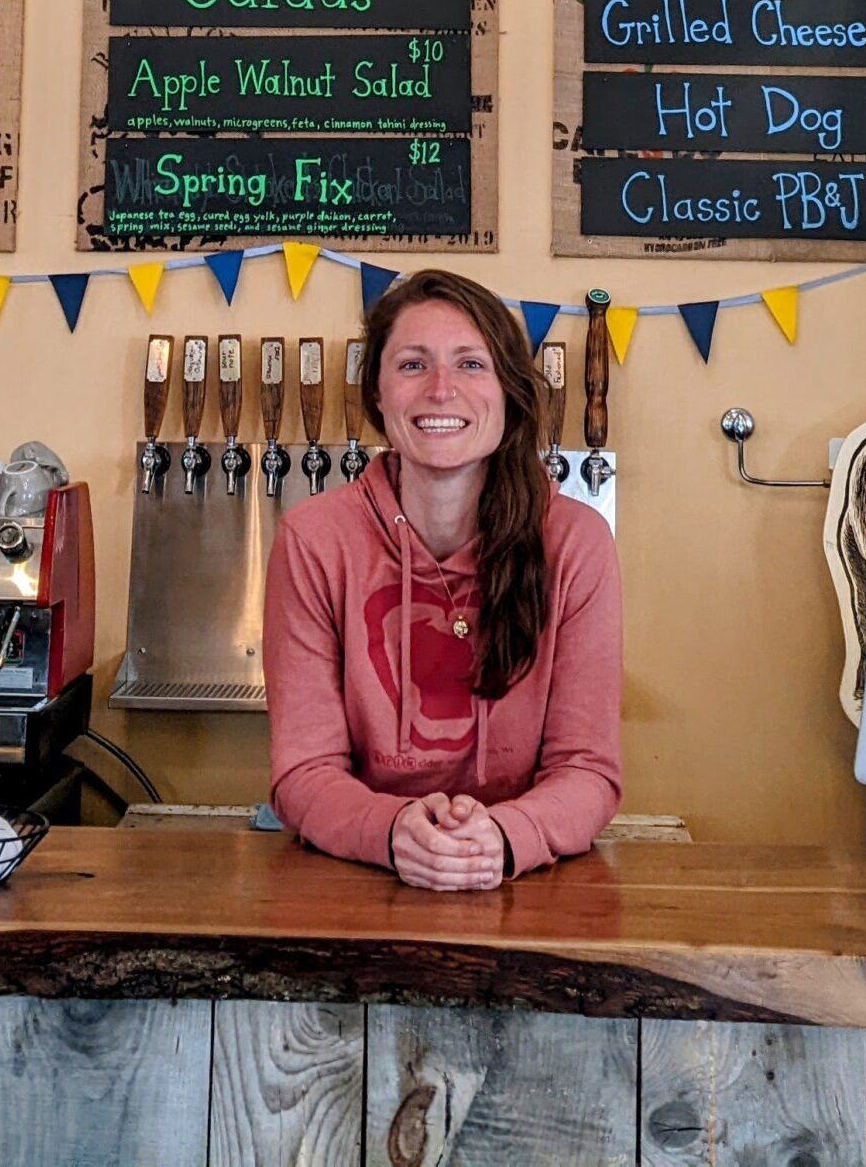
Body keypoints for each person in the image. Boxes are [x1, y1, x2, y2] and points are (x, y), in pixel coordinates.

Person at [264, 269, 623, 889]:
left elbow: (587, 769)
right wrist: (392, 828)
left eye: (470, 365)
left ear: (508, 392)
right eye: (411, 365)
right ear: (376, 394)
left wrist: (504, 837)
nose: (440, 390)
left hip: (526, 882)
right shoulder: (313, 541)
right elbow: (304, 772)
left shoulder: (576, 543)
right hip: (359, 878)